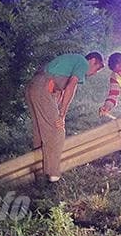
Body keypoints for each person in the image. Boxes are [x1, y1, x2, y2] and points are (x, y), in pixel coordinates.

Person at [26, 51, 105, 182]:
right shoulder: (82, 62)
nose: (95, 73)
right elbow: (70, 87)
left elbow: (59, 91)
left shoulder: (70, 64)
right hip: (42, 88)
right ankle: (53, 174)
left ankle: (39, 173)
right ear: (92, 61)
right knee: (57, 130)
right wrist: (62, 114)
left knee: (40, 132)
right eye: (97, 68)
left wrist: (57, 108)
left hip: (34, 86)